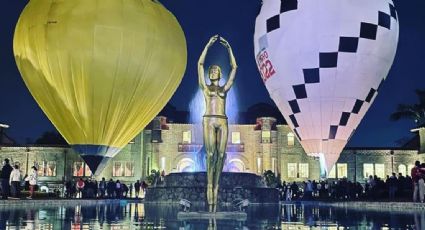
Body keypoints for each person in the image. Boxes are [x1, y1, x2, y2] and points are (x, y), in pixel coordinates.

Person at [198, 35, 237, 212]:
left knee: (221, 155)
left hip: (223, 120)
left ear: (220, 75)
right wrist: (207, 45)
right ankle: (209, 183)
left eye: (216, 70)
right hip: (209, 119)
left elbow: (234, 68)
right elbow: (199, 65)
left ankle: (216, 185)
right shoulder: (205, 88)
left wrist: (229, 49)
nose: (213, 71)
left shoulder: (224, 89)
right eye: (211, 70)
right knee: (210, 154)